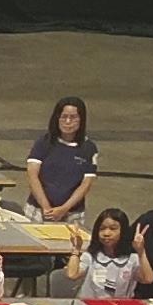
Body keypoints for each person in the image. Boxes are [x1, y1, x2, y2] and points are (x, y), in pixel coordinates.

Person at [22, 96, 96, 224]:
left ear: (81, 120)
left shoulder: (88, 148)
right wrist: (46, 208)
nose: (68, 121)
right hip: (38, 210)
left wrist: (64, 209)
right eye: (63, 117)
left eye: (73, 117)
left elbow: (86, 184)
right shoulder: (43, 143)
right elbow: (32, 175)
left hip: (72, 214)